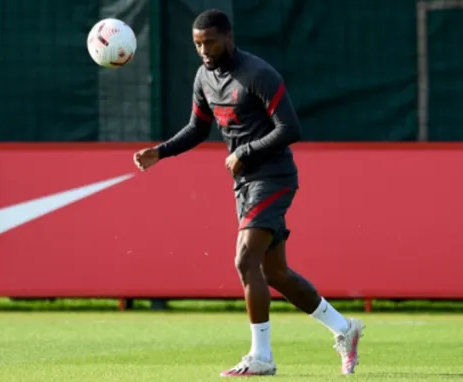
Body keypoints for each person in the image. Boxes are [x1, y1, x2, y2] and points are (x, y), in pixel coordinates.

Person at [132, 9, 365, 378]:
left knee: (244, 260)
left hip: (273, 177)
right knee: (276, 273)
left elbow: (290, 128)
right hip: (244, 183)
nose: (204, 50)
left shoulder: (258, 74)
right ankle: (344, 328)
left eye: (209, 42)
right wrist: (159, 152)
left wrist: (244, 151)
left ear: (228, 37)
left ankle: (262, 357)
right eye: (197, 44)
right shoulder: (203, 77)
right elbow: (197, 128)